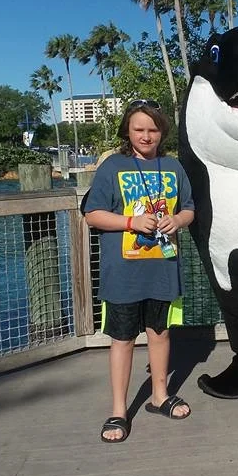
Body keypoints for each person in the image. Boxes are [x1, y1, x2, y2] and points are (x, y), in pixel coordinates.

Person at [83, 99, 196, 442]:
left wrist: (176, 219)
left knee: (160, 333)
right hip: (123, 275)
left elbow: (189, 208)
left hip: (163, 269)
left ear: (162, 132)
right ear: (127, 131)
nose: (146, 136)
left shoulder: (173, 167)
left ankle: (159, 396)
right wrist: (132, 221)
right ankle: (119, 410)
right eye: (139, 129)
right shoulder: (111, 167)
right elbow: (93, 214)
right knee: (123, 339)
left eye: (153, 129)